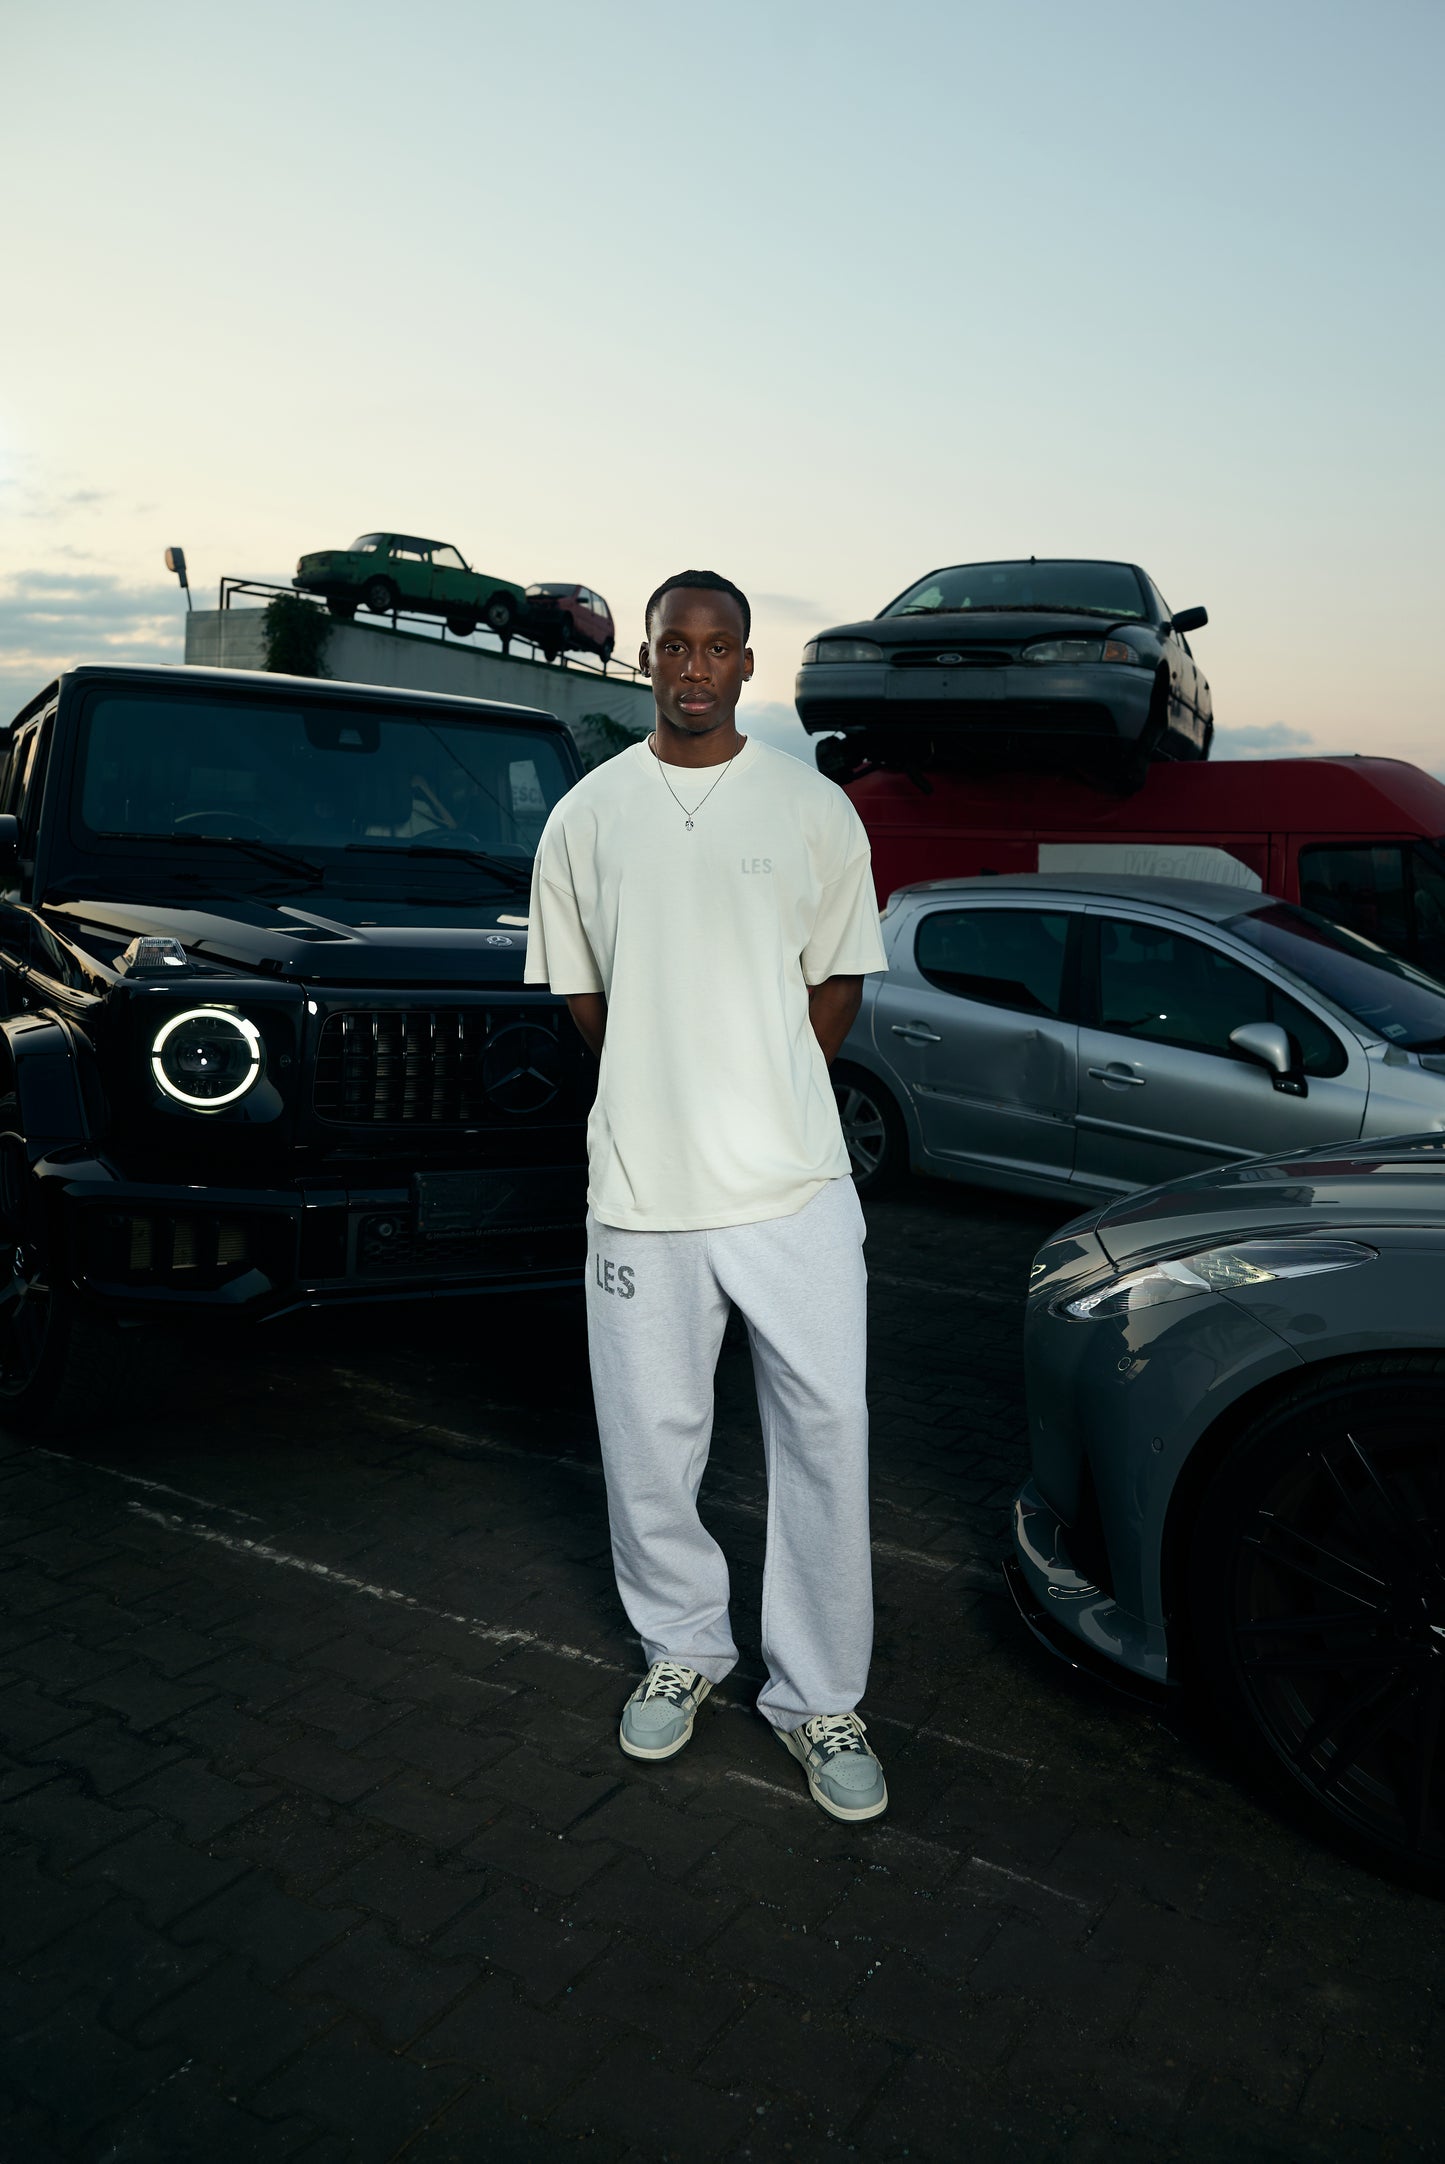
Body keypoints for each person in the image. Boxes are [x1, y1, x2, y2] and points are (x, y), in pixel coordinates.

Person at [524, 570, 890, 1821]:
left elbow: (836, 982)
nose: (692, 665)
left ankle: (818, 1696)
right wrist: (667, 1080)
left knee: (825, 1438)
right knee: (648, 1444)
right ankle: (682, 1649)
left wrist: (760, 1080)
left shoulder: (810, 807)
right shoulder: (584, 817)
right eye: (671, 644)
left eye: (715, 647)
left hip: (792, 1189)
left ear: (745, 665)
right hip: (641, 1188)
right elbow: (585, 1002)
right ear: (644, 658)